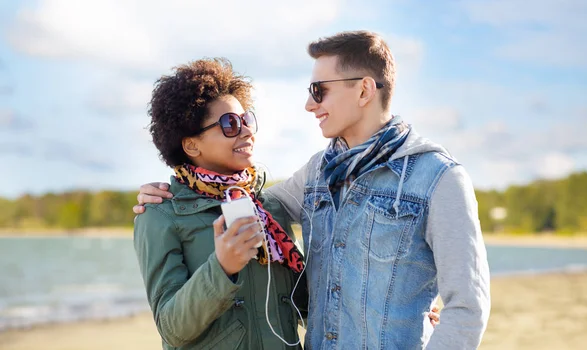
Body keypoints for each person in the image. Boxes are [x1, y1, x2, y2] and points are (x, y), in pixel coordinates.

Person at [136, 31, 483, 349]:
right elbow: (247, 206)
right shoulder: (314, 175)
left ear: (364, 90)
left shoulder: (440, 178)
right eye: (230, 124)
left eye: (320, 90)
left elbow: (467, 308)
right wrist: (167, 195)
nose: (309, 104)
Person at [133, 58, 308, 350]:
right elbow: (171, 329)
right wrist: (222, 268)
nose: (246, 131)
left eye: (247, 119)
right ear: (191, 145)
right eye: (230, 124)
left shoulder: (271, 209)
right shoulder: (160, 214)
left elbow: (305, 307)